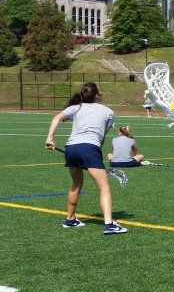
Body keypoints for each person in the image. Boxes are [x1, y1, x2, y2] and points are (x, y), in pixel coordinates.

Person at [44, 82, 126, 235]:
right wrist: (95, 154)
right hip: (89, 148)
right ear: (96, 96)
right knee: (104, 187)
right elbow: (102, 134)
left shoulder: (76, 107)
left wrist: (50, 138)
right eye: (100, 92)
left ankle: (70, 219)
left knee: (76, 184)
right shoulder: (108, 111)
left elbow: (56, 118)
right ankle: (109, 224)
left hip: (71, 148)